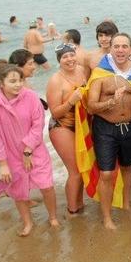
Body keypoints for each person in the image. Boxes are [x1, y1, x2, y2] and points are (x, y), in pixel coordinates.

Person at [0, 61, 58, 236]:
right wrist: (2, 164)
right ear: (0, 83)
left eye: (19, 80)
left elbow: (38, 123)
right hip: (10, 154)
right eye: (12, 81)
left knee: (46, 185)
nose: (18, 84)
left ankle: (53, 217)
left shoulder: (31, 96)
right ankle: (27, 223)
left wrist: (28, 149)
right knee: (18, 191)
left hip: (35, 149)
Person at [86, 33, 131, 229]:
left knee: (127, 167)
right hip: (106, 128)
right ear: (111, 49)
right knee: (106, 173)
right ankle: (107, 217)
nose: (120, 50)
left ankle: (126, 205)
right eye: (117, 46)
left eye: (124, 46)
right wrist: (110, 102)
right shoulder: (101, 72)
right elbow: (91, 106)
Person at [45, 44, 87, 216]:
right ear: (59, 61)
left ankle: (79, 203)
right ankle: (72, 210)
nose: (69, 59)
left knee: (83, 168)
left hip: (80, 125)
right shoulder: (55, 80)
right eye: (65, 57)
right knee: (75, 171)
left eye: (71, 55)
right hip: (61, 126)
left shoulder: (81, 70)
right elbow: (54, 112)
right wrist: (71, 101)